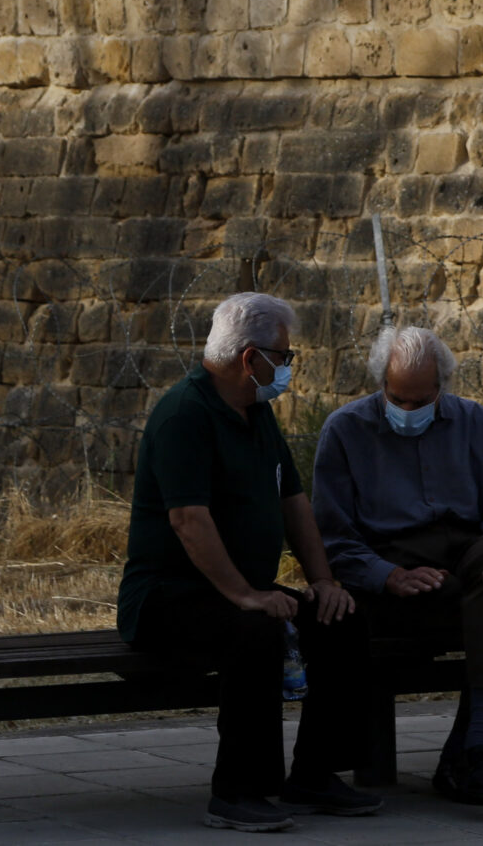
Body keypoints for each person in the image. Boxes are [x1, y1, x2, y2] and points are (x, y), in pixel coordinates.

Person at [118, 291, 382, 832]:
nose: (287, 367)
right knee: (255, 629)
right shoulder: (184, 415)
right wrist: (245, 594)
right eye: (283, 357)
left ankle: (312, 773)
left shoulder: (255, 413)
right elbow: (189, 520)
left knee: (342, 618)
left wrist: (323, 581)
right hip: (168, 597)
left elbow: (294, 503)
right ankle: (238, 790)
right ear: (250, 359)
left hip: (241, 588)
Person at [312, 323, 483, 806]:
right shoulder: (346, 429)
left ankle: (476, 749)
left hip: (463, 549)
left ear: (443, 385)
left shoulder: (479, 424)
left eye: (423, 400)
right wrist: (387, 575)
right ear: (382, 385)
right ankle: (468, 756)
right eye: (399, 399)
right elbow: (334, 536)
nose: (410, 412)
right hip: (389, 554)